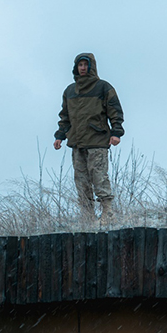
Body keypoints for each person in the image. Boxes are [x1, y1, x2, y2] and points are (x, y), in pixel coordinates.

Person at [53, 53, 124, 217]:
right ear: (76, 67)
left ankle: (107, 213)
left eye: (86, 65)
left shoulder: (103, 87)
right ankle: (87, 216)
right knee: (81, 182)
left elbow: (115, 111)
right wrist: (60, 136)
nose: (83, 68)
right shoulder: (70, 91)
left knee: (99, 178)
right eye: (80, 65)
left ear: (92, 66)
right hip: (77, 143)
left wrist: (116, 132)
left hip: (97, 141)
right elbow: (65, 116)